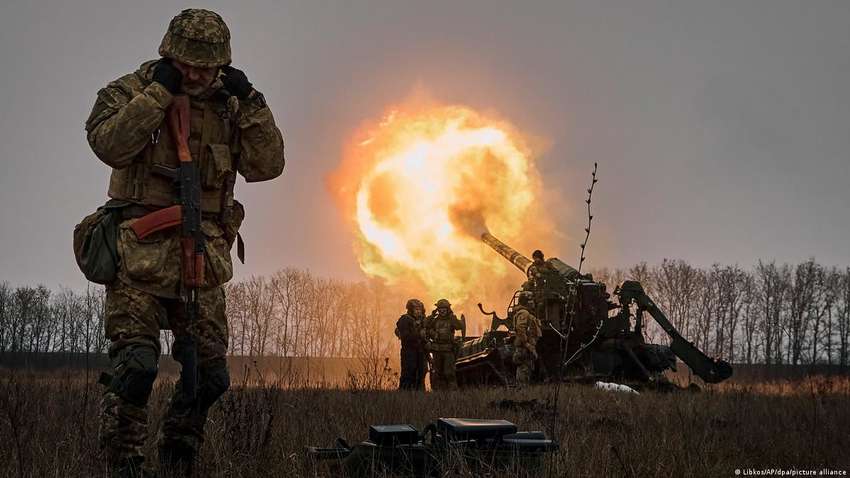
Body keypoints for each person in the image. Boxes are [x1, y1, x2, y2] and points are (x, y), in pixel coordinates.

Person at [85, 9, 285, 477]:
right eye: (187, 65)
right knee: (136, 369)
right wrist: (158, 94)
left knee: (209, 376)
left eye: (206, 68)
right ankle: (123, 463)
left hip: (202, 258)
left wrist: (252, 102)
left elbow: (267, 165)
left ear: (222, 65)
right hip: (138, 258)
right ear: (169, 55)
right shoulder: (131, 91)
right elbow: (109, 145)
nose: (195, 75)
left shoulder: (232, 105)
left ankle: (178, 453)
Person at [425, 299, 464, 391]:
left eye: (444, 309)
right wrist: (433, 333)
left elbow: (459, 326)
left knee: (449, 372)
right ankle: (439, 392)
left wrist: (452, 317)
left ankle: (452, 392)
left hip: (448, 350)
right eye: (440, 309)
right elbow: (426, 326)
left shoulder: (451, 319)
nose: (442, 311)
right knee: (438, 373)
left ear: (448, 309)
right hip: (436, 350)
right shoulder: (434, 320)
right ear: (437, 309)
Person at [395, 299, 428, 390]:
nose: (418, 311)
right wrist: (418, 334)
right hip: (409, 351)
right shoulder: (405, 320)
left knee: (422, 371)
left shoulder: (423, 320)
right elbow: (405, 336)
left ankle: (420, 393)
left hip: (421, 351)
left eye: (419, 309)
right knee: (409, 372)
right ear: (410, 309)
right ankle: (405, 392)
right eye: (416, 309)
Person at [512, 292, 542, 386]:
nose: (533, 302)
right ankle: (521, 390)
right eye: (530, 300)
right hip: (524, 348)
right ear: (526, 302)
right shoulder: (524, 313)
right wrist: (527, 344)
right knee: (523, 369)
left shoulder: (527, 313)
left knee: (527, 369)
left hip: (527, 347)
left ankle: (523, 389)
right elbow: (520, 328)